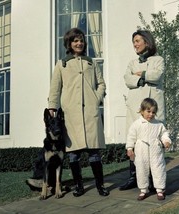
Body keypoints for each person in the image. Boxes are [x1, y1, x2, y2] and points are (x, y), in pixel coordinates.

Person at [47, 28, 109, 197]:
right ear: (69, 43)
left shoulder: (91, 62)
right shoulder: (62, 64)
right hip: (71, 113)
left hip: (90, 111)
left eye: (81, 40)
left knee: (94, 151)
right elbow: (55, 88)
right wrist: (52, 106)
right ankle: (79, 186)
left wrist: (96, 98)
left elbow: (101, 83)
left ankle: (100, 185)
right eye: (75, 40)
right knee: (73, 153)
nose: (79, 43)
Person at [119, 30, 166, 191]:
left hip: (153, 106)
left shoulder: (158, 59)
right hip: (135, 107)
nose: (135, 44)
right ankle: (133, 177)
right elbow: (127, 78)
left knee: (154, 141)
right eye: (134, 42)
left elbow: (158, 75)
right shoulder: (132, 63)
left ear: (147, 41)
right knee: (134, 141)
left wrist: (144, 73)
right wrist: (141, 79)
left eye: (138, 41)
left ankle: (154, 180)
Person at [126, 98, 171, 200]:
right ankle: (143, 190)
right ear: (142, 111)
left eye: (153, 112)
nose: (151, 114)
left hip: (156, 150)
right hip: (141, 150)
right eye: (148, 111)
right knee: (141, 169)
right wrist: (129, 148)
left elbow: (164, 134)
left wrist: (166, 141)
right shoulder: (136, 124)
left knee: (158, 168)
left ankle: (160, 189)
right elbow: (131, 136)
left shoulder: (159, 124)